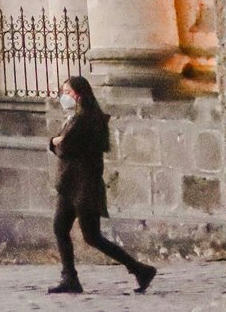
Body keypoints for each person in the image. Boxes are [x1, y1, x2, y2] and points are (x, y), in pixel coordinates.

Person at [49, 75, 156, 295]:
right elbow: (61, 142)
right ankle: (70, 278)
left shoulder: (84, 120)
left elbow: (65, 147)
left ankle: (140, 269)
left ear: (78, 94)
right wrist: (56, 140)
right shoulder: (81, 118)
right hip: (71, 187)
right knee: (61, 228)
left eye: (67, 92)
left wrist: (55, 141)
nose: (64, 97)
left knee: (92, 236)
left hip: (83, 188)